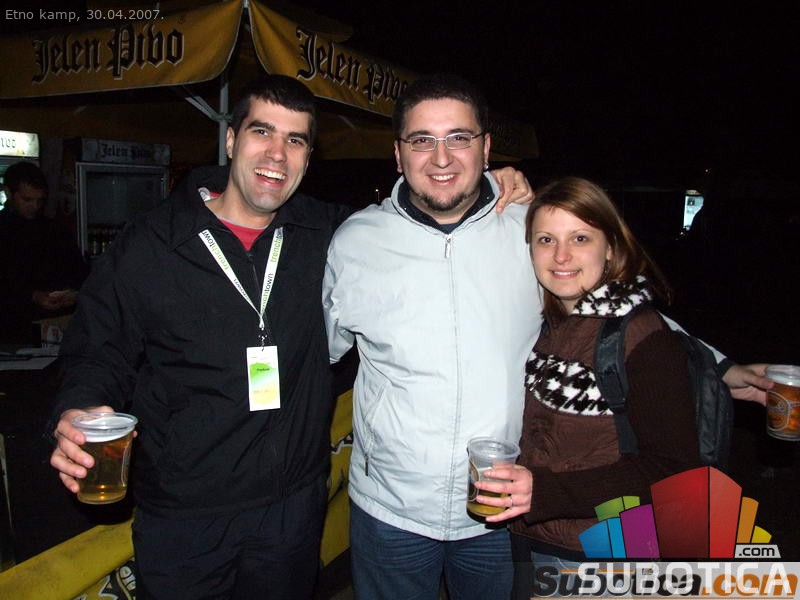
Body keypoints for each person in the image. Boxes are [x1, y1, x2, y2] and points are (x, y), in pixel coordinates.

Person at [47, 74, 532, 600]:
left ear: (308, 156)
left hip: (291, 512)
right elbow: (97, 349)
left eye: (295, 139)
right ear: (231, 139)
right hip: (185, 514)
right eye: (262, 131)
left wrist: (501, 182)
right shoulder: (151, 242)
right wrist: (80, 406)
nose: (277, 154)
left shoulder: (332, 234)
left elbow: (436, 204)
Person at [323, 76, 773, 600]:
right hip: (390, 509)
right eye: (422, 139)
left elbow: (611, 308)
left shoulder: (529, 229)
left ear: (486, 149)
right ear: (398, 154)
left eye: (459, 138)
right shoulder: (356, 243)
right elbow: (317, 351)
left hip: (504, 511)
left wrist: (717, 366)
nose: (441, 157)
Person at [471, 177, 766, 594]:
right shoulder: (551, 324)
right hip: (541, 540)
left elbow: (673, 468)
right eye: (545, 239)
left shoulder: (640, 336)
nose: (561, 255)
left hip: (601, 555)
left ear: (610, 247)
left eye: (580, 238)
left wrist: (546, 491)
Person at [0, 161, 88, 344]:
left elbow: (78, 271)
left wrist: (72, 294)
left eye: (40, 201)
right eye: (27, 200)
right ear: (8, 192)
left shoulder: (55, 230)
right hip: (12, 328)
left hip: (57, 322)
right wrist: (32, 295)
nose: (35, 206)